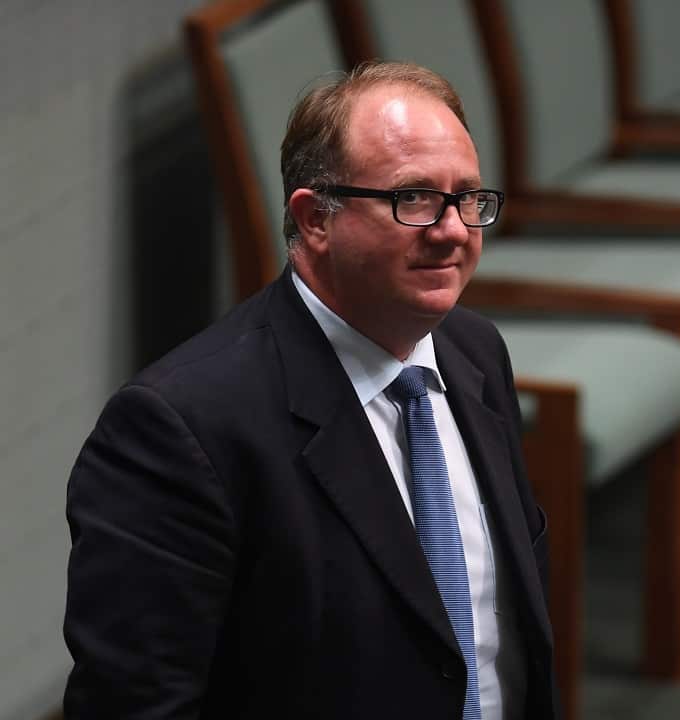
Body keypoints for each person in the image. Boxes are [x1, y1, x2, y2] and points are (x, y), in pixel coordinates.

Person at [63, 61, 555, 719]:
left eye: (468, 197)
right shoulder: (180, 430)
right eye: (413, 199)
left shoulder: (475, 354)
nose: (453, 231)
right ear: (315, 219)